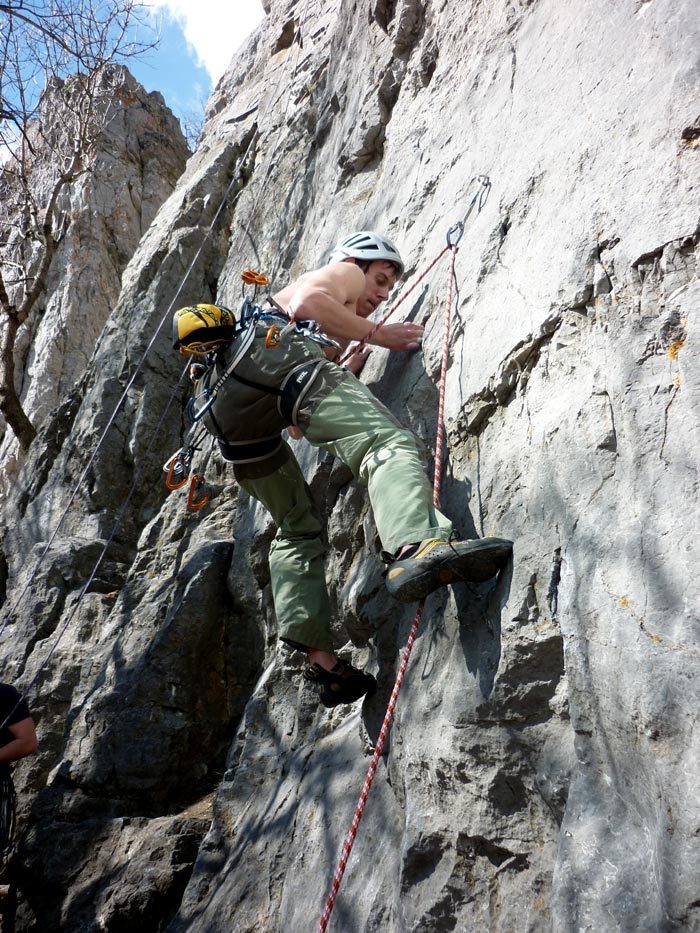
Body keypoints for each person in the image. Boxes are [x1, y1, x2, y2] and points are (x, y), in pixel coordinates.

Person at [173, 232, 512, 707]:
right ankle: (418, 545)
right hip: (283, 373)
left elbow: (295, 428)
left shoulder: (299, 334)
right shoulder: (344, 272)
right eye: (380, 278)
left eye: (388, 289)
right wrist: (378, 334)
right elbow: (313, 299)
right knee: (386, 442)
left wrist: (337, 364)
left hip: (234, 424)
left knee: (296, 529)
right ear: (359, 262)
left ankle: (320, 662)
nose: (381, 293)